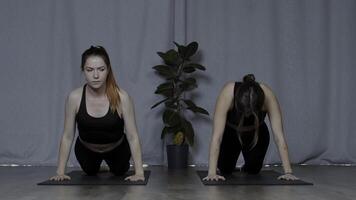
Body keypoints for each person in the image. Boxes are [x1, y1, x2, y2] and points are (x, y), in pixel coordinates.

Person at [50, 46, 144, 181]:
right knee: (90, 172)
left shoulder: (122, 97)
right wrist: (60, 172)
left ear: (108, 70)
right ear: (83, 70)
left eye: (101, 69)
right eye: (90, 70)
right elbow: (67, 136)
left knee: (119, 172)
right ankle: (99, 166)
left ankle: (112, 165)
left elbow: (132, 136)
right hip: (86, 150)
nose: (95, 75)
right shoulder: (74, 97)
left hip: (117, 149)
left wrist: (139, 172)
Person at [203, 74, 299, 181]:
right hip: (231, 134)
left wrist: (288, 172)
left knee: (253, 170)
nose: (248, 115)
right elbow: (217, 137)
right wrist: (211, 172)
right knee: (225, 170)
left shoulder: (268, 95)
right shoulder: (228, 93)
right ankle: (227, 165)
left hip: (257, 134)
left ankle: (247, 165)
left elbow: (279, 136)